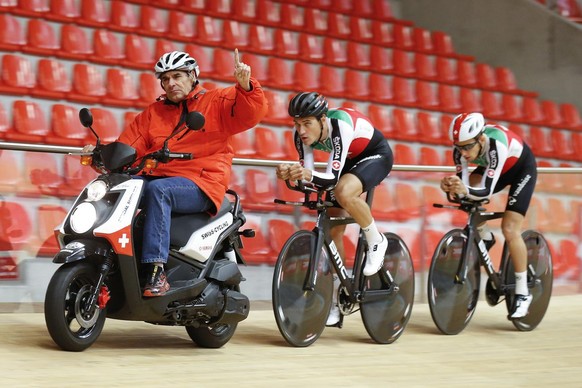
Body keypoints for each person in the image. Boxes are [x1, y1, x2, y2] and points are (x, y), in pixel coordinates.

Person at [96, 49, 267, 297]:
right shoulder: (152, 114)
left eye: (177, 76)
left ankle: (156, 270)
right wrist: (102, 155)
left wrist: (246, 88)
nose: (170, 83)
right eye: (165, 79)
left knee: (158, 190)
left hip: (202, 182)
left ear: (193, 76)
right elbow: (129, 147)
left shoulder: (216, 101)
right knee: (116, 187)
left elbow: (250, 114)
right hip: (161, 178)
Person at [275, 92, 394, 326]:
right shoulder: (301, 137)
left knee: (343, 191)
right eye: (297, 124)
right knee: (333, 230)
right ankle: (337, 300)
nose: (301, 130)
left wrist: (307, 175)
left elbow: (329, 178)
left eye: (307, 123)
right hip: (349, 159)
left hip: (376, 155)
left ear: (322, 120)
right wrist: (292, 174)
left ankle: (376, 239)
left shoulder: (339, 124)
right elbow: (309, 179)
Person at [440, 112, 537, 319]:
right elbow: (463, 189)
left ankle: (522, 292)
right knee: (468, 195)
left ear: (481, 139)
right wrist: (450, 187)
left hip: (521, 169)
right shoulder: (460, 150)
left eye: (467, 147)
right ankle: (485, 236)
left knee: (510, 228)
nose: (463, 153)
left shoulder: (496, 146)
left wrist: (464, 190)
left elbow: (486, 191)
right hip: (495, 168)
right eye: (459, 147)